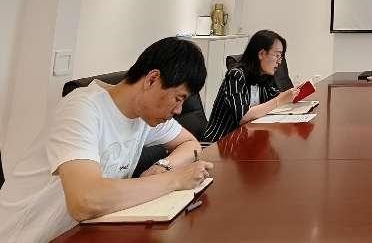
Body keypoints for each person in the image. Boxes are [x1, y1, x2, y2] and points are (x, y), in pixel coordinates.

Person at [0, 37, 214, 243]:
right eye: (178, 98)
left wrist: (164, 166)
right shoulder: (82, 109)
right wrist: (175, 180)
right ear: (152, 79)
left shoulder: (144, 116)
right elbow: (85, 200)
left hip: (84, 234)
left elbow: (190, 144)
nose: (178, 110)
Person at [202, 30, 299, 142]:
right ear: (261, 54)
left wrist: (293, 94)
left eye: (281, 57)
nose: (279, 62)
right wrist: (279, 100)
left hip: (246, 138)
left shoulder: (264, 77)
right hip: (221, 142)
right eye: (277, 55)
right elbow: (243, 116)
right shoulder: (236, 75)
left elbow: (276, 97)